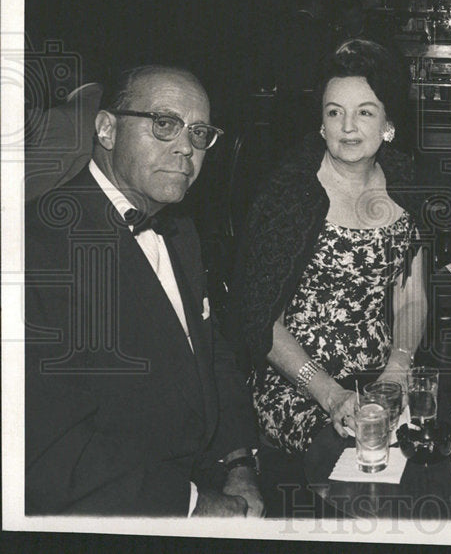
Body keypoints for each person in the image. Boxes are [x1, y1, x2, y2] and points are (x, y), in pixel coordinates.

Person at [24, 65, 262, 517]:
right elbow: (48, 455)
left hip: (210, 476)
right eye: (164, 124)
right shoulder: (38, 247)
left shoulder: (181, 230)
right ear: (107, 129)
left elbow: (213, 357)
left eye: (199, 132)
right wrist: (195, 506)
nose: (185, 148)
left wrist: (239, 461)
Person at [226, 39, 427, 458]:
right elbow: (260, 321)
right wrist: (330, 394)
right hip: (299, 383)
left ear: (388, 122)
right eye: (335, 113)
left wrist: (398, 367)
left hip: (380, 375)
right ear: (321, 124)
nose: (347, 127)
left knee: (425, 444)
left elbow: (411, 296)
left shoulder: (406, 185)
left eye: (364, 113)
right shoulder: (291, 194)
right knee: (348, 457)